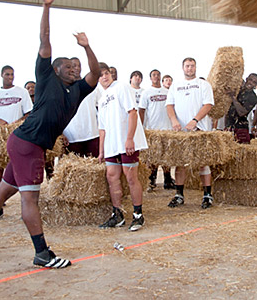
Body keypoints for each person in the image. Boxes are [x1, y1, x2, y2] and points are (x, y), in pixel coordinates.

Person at [0, 0, 99, 268]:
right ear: (55, 68)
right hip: (28, 143)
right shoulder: (47, 76)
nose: (74, 70)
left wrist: (87, 47)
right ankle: (41, 253)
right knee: (30, 201)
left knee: (2, 191)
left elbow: (96, 72)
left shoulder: (78, 89)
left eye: (76, 67)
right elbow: (45, 40)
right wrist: (47, 6)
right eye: (68, 66)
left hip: (28, 144)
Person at [97, 63, 148, 231]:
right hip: (112, 144)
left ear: (111, 74)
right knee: (112, 177)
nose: (104, 77)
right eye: (100, 75)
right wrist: (101, 151)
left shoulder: (122, 87)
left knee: (131, 176)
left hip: (126, 141)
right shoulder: (102, 97)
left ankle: (138, 215)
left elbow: (132, 112)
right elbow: (102, 128)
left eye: (106, 73)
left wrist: (129, 139)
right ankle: (117, 215)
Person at [0, 64, 33, 219]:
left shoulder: (22, 92)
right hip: (0, 136)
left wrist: (18, 121)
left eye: (12, 74)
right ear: (1, 75)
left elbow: (29, 113)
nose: (10, 77)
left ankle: (26, 205)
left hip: (17, 133)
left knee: (20, 171)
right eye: (7, 74)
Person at [166, 57, 215, 209]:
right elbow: (169, 105)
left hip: (200, 130)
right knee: (180, 164)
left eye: (192, 66)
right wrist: (174, 121)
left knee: (203, 162)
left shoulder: (203, 85)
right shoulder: (176, 85)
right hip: (181, 131)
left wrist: (195, 120)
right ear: (183, 68)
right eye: (187, 66)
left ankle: (207, 195)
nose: (189, 68)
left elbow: (208, 105)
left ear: (196, 67)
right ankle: (179, 195)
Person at [138, 69, 174, 190]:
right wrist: (141, 127)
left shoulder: (168, 92)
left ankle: (167, 179)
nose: (156, 77)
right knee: (153, 157)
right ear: (150, 78)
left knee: (167, 156)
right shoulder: (146, 93)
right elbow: (141, 110)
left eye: (158, 75)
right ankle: (151, 179)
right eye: (154, 75)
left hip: (167, 128)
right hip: (152, 129)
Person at [62, 57, 100, 158]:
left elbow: (100, 108)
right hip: (72, 136)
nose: (77, 68)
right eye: (74, 66)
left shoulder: (93, 87)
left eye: (79, 65)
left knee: (95, 166)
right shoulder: (63, 89)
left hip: (92, 134)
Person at [225, 73, 257, 144]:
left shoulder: (253, 97)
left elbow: (242, 112)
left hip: (240, 128)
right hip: (229, 125)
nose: (251, 83)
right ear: (246, 79)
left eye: (254, 82)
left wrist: (233, 98)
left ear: (255, 85)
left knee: (241, 152)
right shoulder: (238, 90)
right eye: (250, 80)